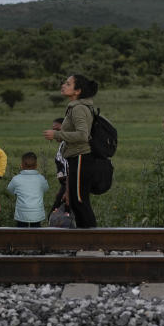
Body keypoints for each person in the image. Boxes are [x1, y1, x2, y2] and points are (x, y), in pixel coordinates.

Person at [42, 75, 99, 228]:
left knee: (79, 200)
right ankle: (85, 240)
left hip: (81, 157)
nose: (63, 85)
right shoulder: (76, 106)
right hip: (76, 158)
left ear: (77, 91)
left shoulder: (79, 108)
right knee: (76, 200)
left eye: (68, 84)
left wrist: (57, 134)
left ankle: (91, 241)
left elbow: (82, 135)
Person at [6, 152, 50, 227]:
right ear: (36, 165)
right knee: (36, 230)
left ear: (21, 165)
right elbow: (46, 189)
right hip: (37, 213)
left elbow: (10, 189)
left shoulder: (16, 179)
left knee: (21, 231)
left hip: (21, 214)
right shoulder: (41, 179)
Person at [49, 118, 69, 213]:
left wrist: (66, 191)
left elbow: (69, 170)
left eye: (57, 130)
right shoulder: (62, 144)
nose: (54, 133)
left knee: (55, 215)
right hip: (65, 187)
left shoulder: (68, 145)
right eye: (53, 130)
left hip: (69, 188)